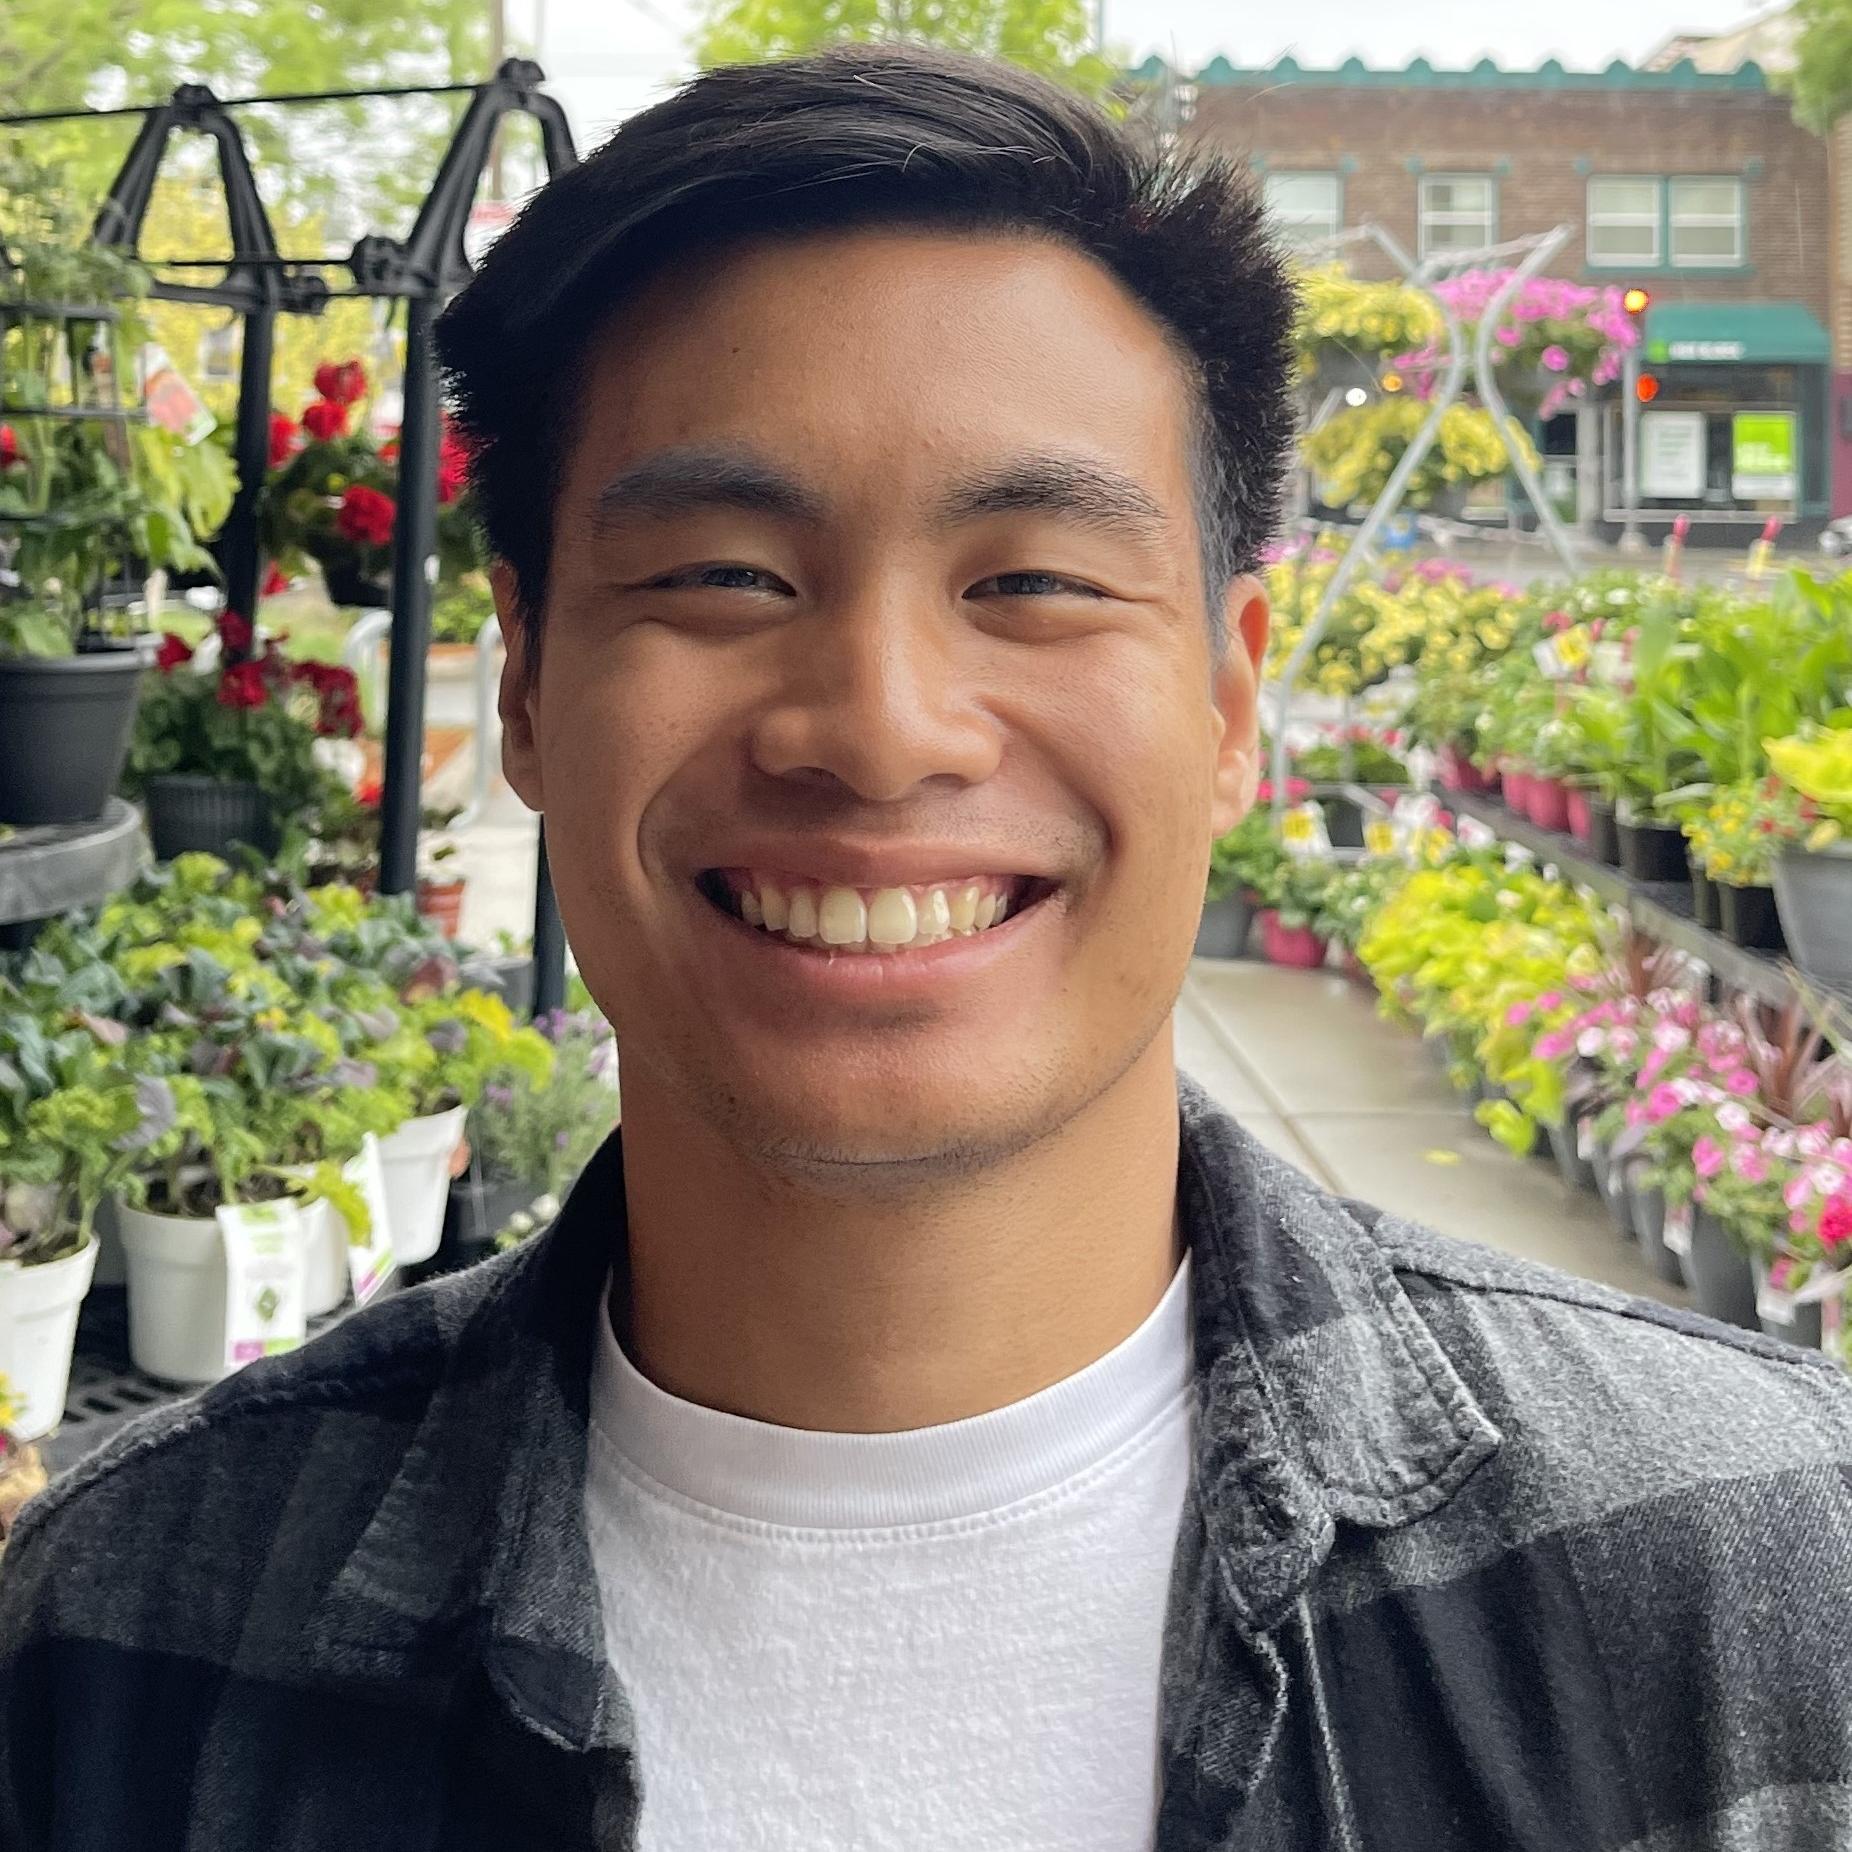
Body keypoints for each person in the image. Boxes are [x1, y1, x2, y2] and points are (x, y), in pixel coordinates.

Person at [3, 44, 1852, 1852]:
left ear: (1229, 701)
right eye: (725, 575)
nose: (881, 729)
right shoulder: (124, 1635)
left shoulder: (1753, 1575)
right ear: (534, 686)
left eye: (1033, 581)